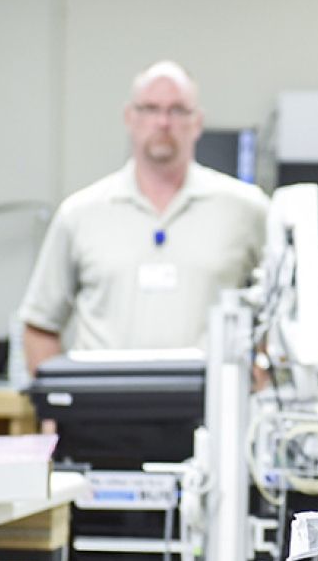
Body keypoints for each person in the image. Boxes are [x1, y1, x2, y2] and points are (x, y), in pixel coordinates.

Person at [19, 60, 268, 371]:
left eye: (178, 110)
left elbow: (285, 316)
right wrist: (57, 411)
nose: (163, 122)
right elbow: (40, 326)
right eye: (150, 108)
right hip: (103, 411)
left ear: (198, 121)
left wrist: (257, 382)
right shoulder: (80, 213)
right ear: (130, 117)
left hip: (211, 409)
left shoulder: (245, 209)